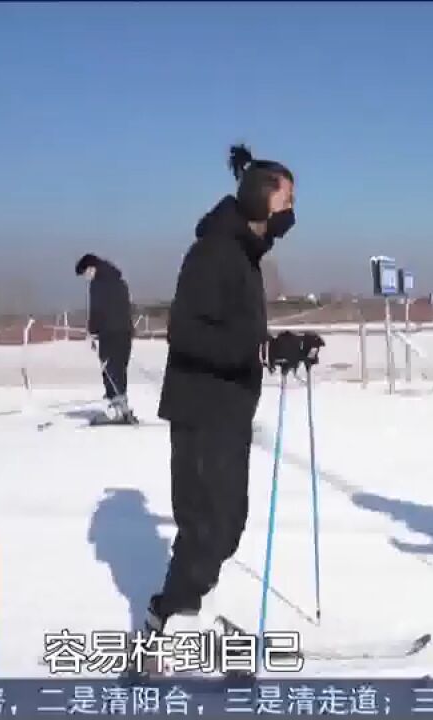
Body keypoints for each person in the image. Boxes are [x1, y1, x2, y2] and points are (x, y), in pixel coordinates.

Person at [142, 144, 323, 662]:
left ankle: (193, 611)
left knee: (227, 520)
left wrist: (282, 345)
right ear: (261, 201)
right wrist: (260, 348)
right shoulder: (215, 252)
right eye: (287, 200)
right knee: (207, 522)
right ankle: (170, 621)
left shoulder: (243, 256)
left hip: (227, 406)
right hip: (202, 408)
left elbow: (237, 333)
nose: (292, 212)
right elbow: (185, 331)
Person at [75, 253, 137, 424]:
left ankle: (116, 409)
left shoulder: (98, 284)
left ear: (91, 268)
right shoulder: (119, 281)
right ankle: (122, 406)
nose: (86, 278)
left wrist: (92, 331)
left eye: (85, 274)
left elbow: (97, 310)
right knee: (119, 369)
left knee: (109, 369)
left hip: (109, 333)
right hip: (124, 332)